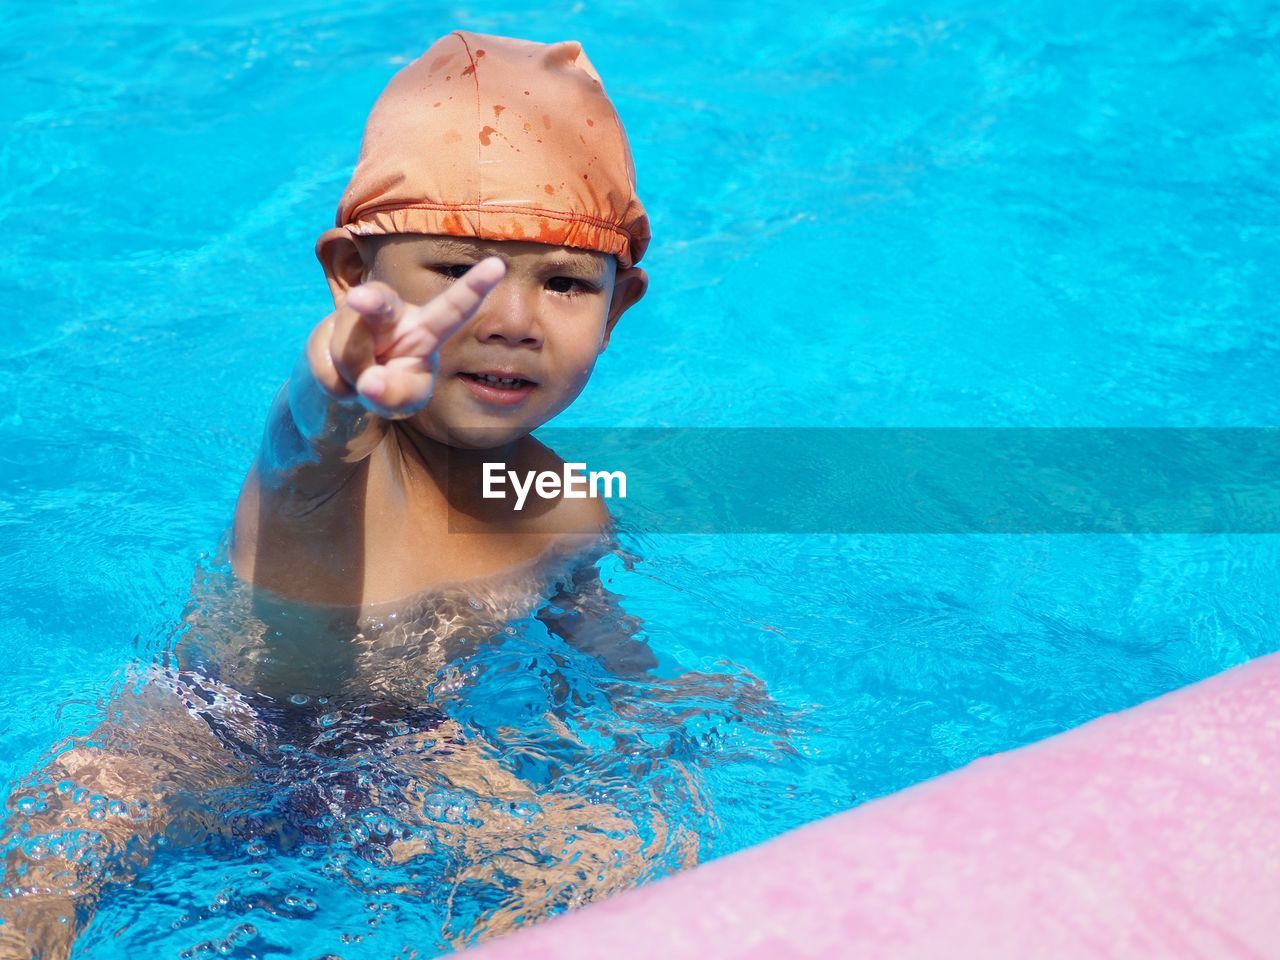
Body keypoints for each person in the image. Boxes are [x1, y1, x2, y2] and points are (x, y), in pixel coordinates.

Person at [0, 30, 709, 959]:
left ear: (618, 308)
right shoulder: (337, 466)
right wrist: (342, 368)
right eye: (457, 273)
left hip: (413, 762)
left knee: (619, 850)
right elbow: (304, 436)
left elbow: (589, 627)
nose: (511, 322)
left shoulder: (567, 507)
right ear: (351, 277)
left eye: (568, 284)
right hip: (198, 748)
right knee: (35, 875)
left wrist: (663, 701)